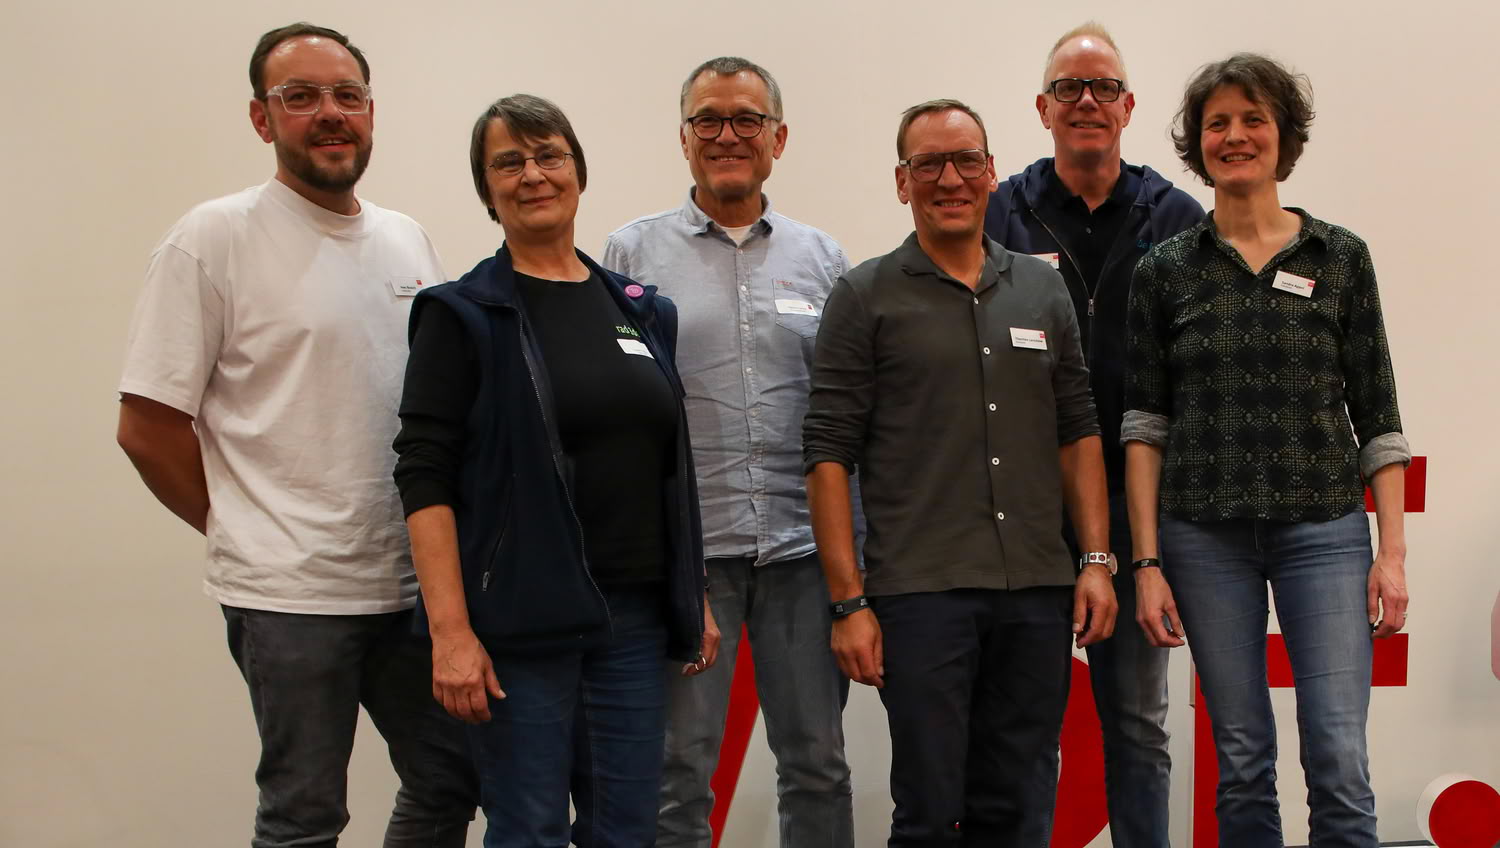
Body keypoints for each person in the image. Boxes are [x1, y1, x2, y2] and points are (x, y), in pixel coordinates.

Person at [115, 22, 476, 848]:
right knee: (305, 815)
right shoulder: (211, 239)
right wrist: (241, 526)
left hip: (412, 588)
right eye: (301, 96)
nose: (330, 113)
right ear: (261, 117)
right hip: (289, 598)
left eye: (347, 95)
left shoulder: (406, 238)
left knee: (453, 779)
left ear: (371, 112)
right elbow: (147, 427)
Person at [391, 93, 718, 848]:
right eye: (510, 162)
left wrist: (690, 590)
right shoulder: (462, 314)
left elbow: (664, 463)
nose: (533, 175)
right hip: (520, 621)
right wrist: (450, 632)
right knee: (529, 830)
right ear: (487, 189)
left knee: (627, 830)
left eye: (549, 156)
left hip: (632, 618)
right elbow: (424, 474)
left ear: (578, 172)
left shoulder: (642, 311)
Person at [804, 98, 1117, 846]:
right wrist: (848, 602)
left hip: (1036, 589)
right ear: (902, 181)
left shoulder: (1042, 290)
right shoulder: (864, 296)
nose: (950, 179)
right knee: (929, 810)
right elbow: (828, 453)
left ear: (991, 172)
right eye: (929, 165)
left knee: (1019, 805)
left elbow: (1078, 431)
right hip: (921, 595)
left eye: (966, 161)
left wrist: (1096, 560)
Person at [1122, 53, 1410, 845]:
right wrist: (1146, 563)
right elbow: (1145, 427)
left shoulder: (1339, 257)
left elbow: (1379, 418)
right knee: (1242, 757)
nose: (1235, 136)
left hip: (1325, 532)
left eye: (1254, 119)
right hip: (1203, 539)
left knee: (1339, 755)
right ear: (1198, 144)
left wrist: (1390, 555)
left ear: (1284, 137)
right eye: (1217, 123)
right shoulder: (1165, 271)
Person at [602, 56, 853, 848]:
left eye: (747, 119)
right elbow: (617, 411)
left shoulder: (823, 259)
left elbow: (845, 412)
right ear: (684, 138)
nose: (727, 135)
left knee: (817, 764)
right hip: (690, 557)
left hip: (801, 552)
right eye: (708, 119)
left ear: (778, 137)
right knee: (678, 771)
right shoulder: (630, 255)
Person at [983, 22, 1203, 846]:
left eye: (1103, 87)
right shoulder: (1001, 211)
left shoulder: (1176, 216)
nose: (1086, 101)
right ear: (1042, 107)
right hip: (1027, 504)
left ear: (1128, 107)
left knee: (1138, 722)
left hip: (1141, 500)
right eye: (1068, 88)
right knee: (1030, 721)